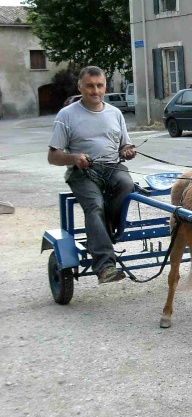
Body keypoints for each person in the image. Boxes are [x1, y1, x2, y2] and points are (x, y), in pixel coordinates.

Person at [48, 66, 137, 283]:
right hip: (83, 172)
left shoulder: (115, 113)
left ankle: (100, 235)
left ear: (105, 86)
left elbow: (125, 144)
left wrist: (127, 150)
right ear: (80, 87)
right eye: (89, 86)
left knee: (128, 186)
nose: (95, 90)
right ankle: (105, 266)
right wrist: (73, 158)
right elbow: (53, 156)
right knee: (95, 206)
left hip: (113, 168)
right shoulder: (66, 115)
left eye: (99, 85)